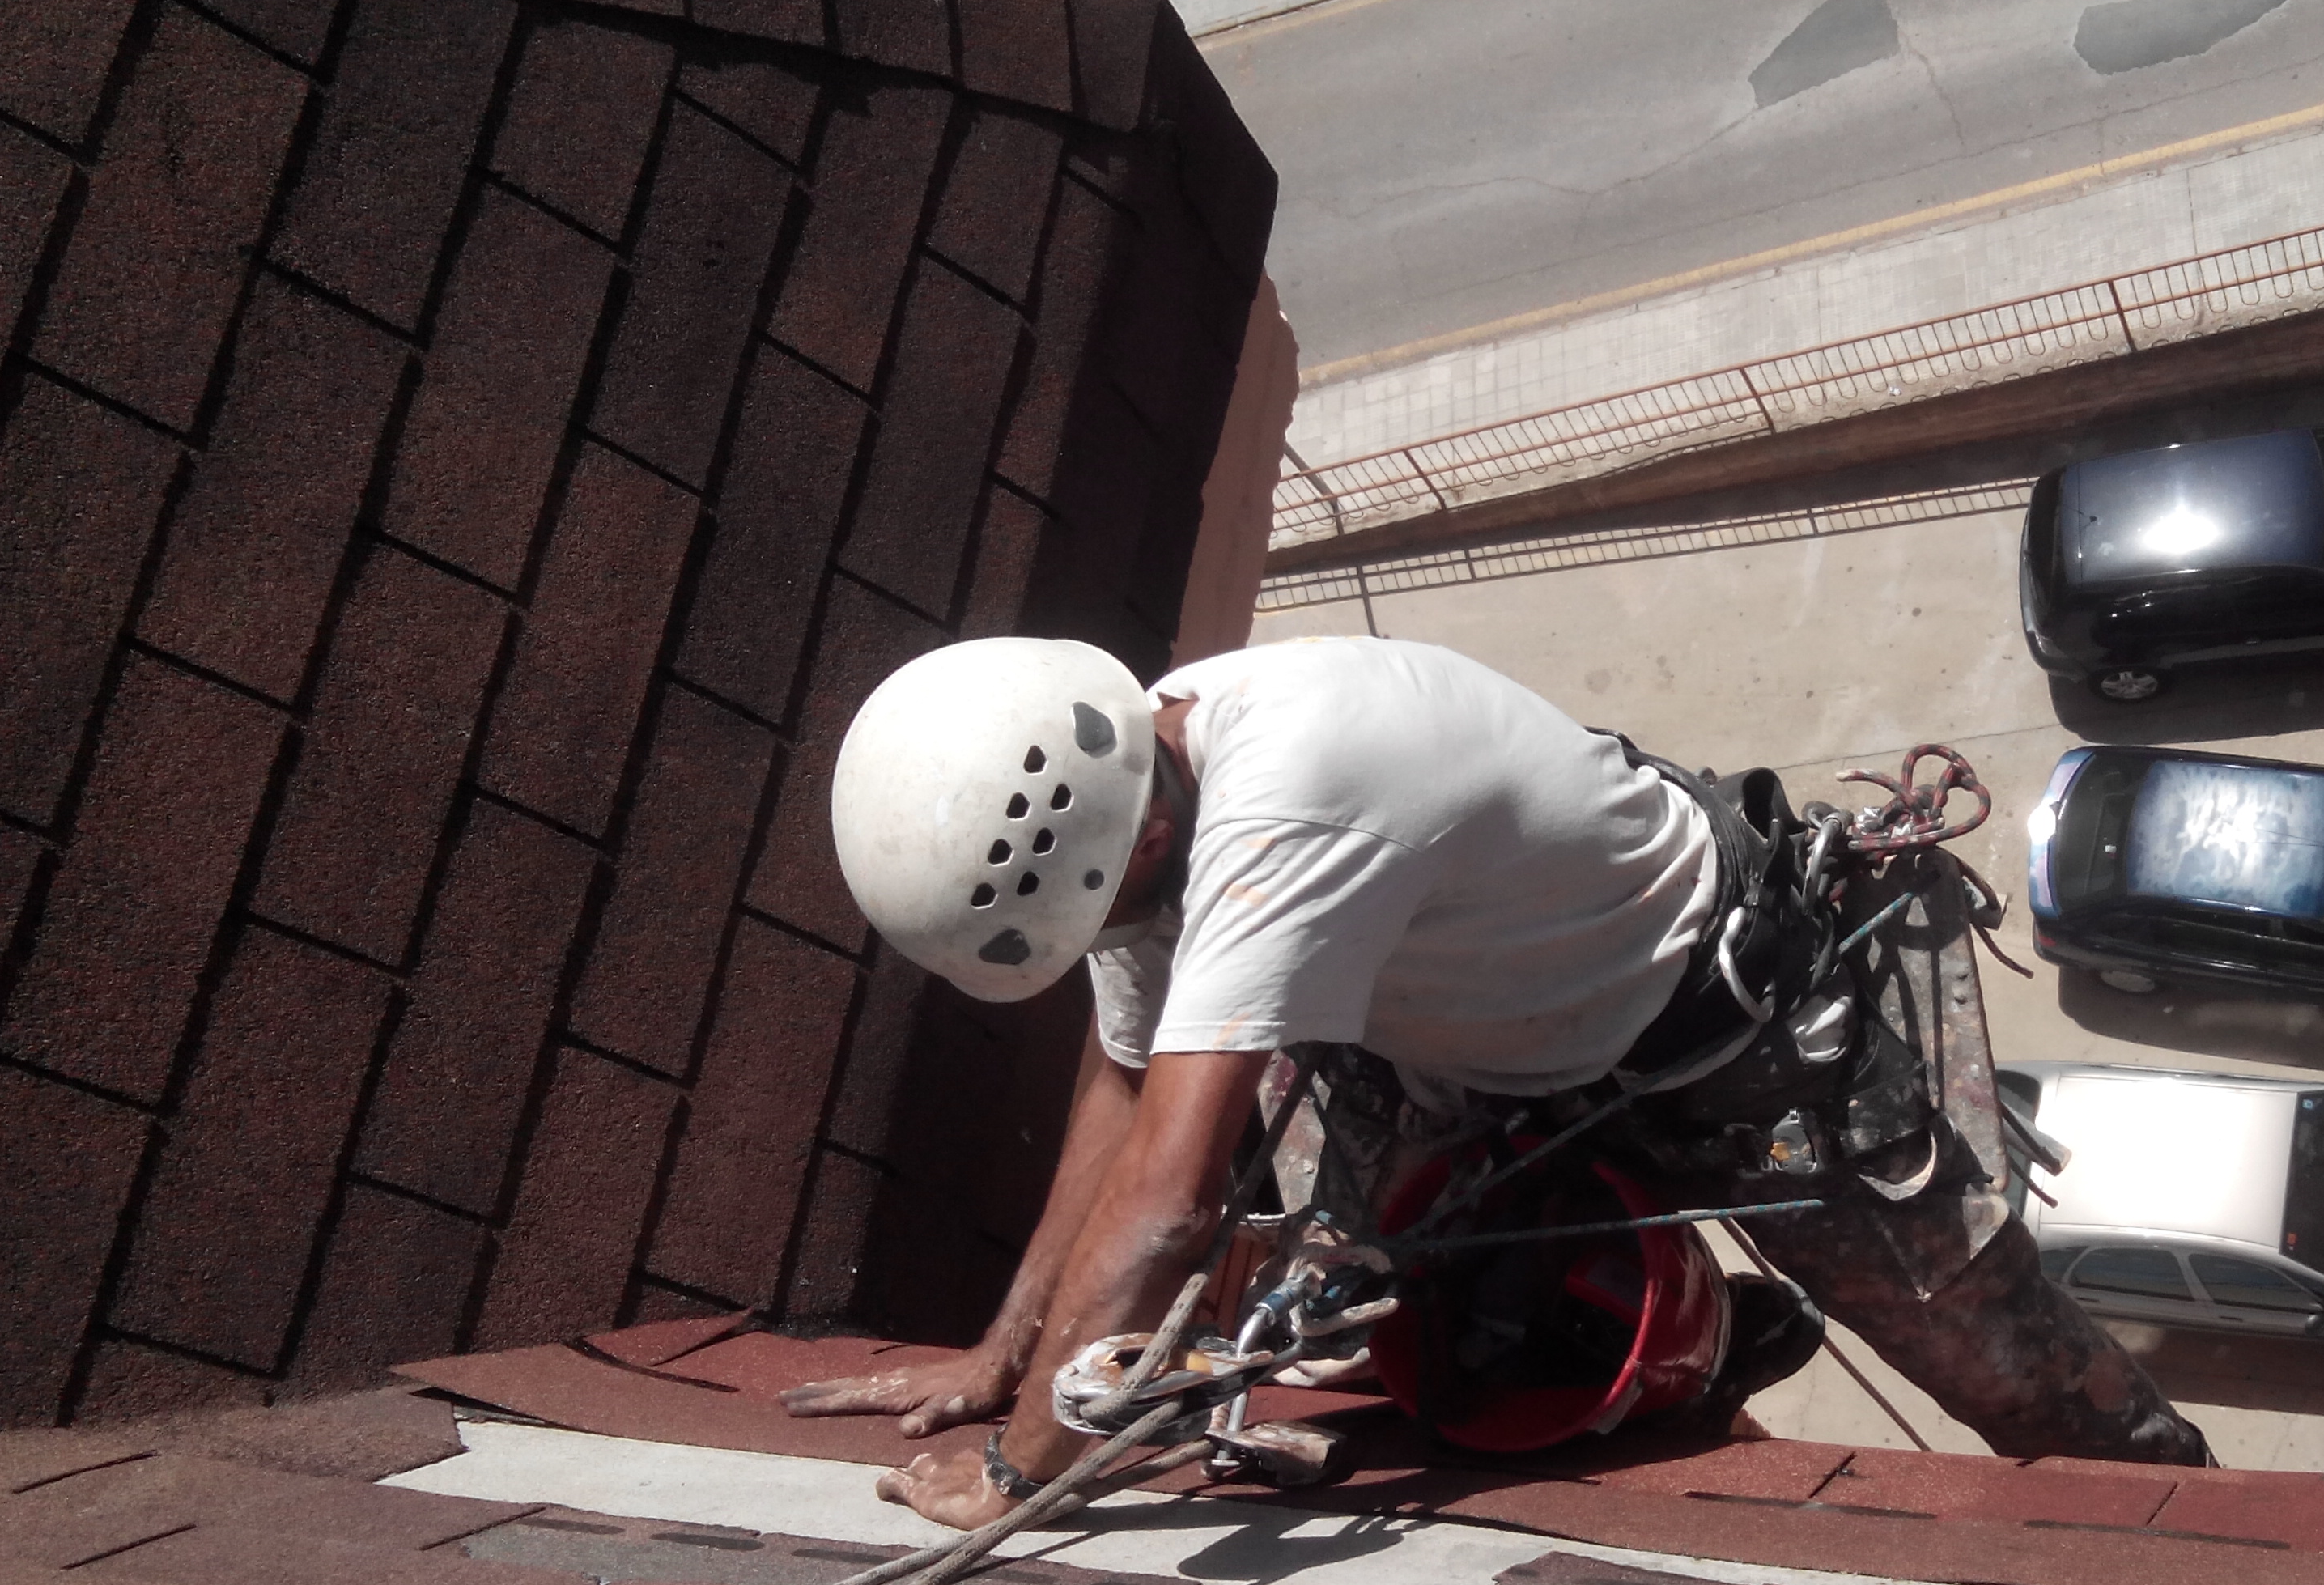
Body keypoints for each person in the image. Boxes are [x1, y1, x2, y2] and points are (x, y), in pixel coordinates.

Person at [794, 633, 2207, 1529]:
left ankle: (2215, 1540)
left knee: (2017, 1382)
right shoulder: (1137, 797)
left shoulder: (1286, 793)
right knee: (1423, 1356)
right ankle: (1709, 1360)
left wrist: (1019, 1472)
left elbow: (1166, 1204)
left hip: (1734, 1035)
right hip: (1493, 1052)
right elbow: (1119, 1080)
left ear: (1136, 855)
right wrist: (1004, 1354)